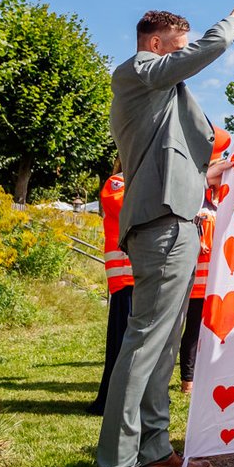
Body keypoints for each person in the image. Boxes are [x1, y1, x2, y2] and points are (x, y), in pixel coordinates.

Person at [97, 5, 234, 467]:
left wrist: (226, 166)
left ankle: (156, 447)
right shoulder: (137, 71)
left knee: (163, 347)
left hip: (178, 219)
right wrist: (232, 23)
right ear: (157, 44)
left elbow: (180, 164)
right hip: (160, 224)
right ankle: (117, 466)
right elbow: (200, 55)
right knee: (143, 343)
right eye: (178, 48)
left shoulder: (160, 98)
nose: (184, 58)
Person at [87, 166, 133, 415]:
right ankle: (111, 400)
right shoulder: (117, 182)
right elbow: (127, 210)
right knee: (121, 342)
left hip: (140, 277)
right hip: (125, 278)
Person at [178, 195, 216, 394]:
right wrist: (196, 243)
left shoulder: (222, 206)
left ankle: (208, 374)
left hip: (216, 287)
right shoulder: (197, 203)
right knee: (192, 333)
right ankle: (188, 380)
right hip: (196, 284)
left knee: (211, 333)